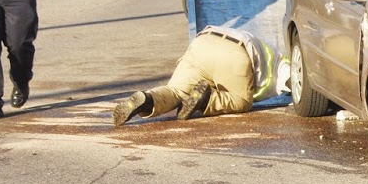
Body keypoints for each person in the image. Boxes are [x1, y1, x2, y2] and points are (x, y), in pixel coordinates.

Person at [113, 25, 282, 126]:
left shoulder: (266, 45)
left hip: (202, 42)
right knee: (241, 101)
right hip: (234, 52)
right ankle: (206, 99)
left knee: (176, 91)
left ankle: (148, 99)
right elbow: (293, 79)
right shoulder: (286, 62)